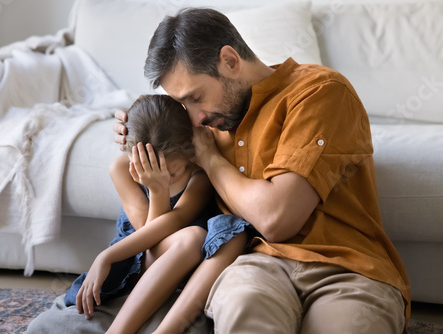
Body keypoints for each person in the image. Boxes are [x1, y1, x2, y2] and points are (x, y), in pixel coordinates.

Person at [27, 7, 410, 334]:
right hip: (255, 264)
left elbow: (278, 218)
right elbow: (156, 157)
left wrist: (211, 158)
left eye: (195, 97)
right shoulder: (204, 121)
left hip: (347, 269)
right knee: (243, 310)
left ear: (230, 60)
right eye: (181, 103)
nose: (193, 117)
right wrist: (135, 129)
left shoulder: (317, 92)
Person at [62, 94, 250, 334]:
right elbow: (148, 240)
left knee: (229, 232)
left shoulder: (198, 176)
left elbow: (173, 222)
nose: (163, 177)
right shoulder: (120, 169)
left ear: (189, 151)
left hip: (187, 257)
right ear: (130, 156)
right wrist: (157, 190)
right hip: (140, 257)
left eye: (172, 172)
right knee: (191, 237)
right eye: (144, 169)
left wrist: (106, 256)